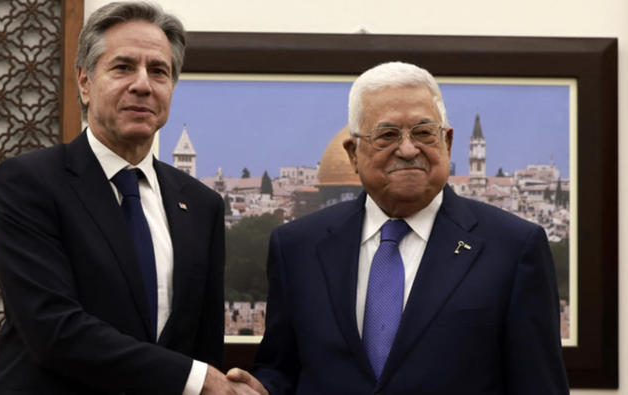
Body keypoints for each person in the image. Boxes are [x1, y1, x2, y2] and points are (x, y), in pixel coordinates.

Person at [227, 61, 569, 394]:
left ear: (447, 143)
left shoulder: (512, 248)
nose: (408, 149)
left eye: (423, 132)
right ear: (353, 153)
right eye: (387, 135)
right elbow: (283, 370)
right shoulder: (298, 247)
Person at [0, 2, 256, 394]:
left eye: (159, 71)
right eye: (123, 67)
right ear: (84, 81)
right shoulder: (29, 183)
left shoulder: (201, 205)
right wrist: (198, 379)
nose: (143, 84)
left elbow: (203, 343)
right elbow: (52, 329)